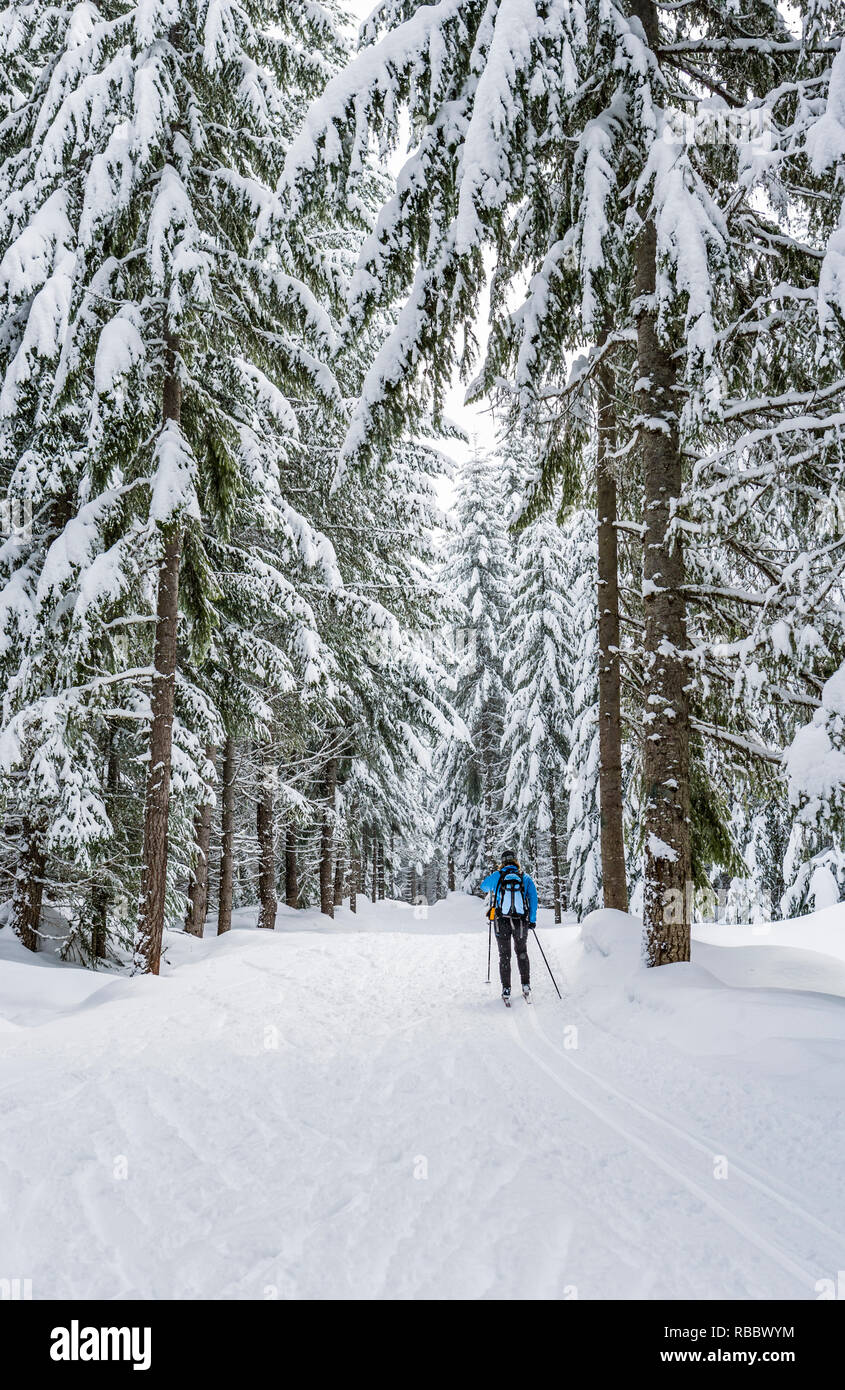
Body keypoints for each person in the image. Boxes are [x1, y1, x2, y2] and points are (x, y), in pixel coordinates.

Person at [480, 850, 538, 1004]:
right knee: (522, 952)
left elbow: (484, 886)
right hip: (520, 921)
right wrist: (532, 920)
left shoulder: (498, 876)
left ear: (503, 861)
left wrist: (495, 876)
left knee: (504, 955)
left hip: (501, 921)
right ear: (515, 861)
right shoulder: (524, 877)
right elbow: (533, 899)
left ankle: (506, 989)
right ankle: (526, 985)